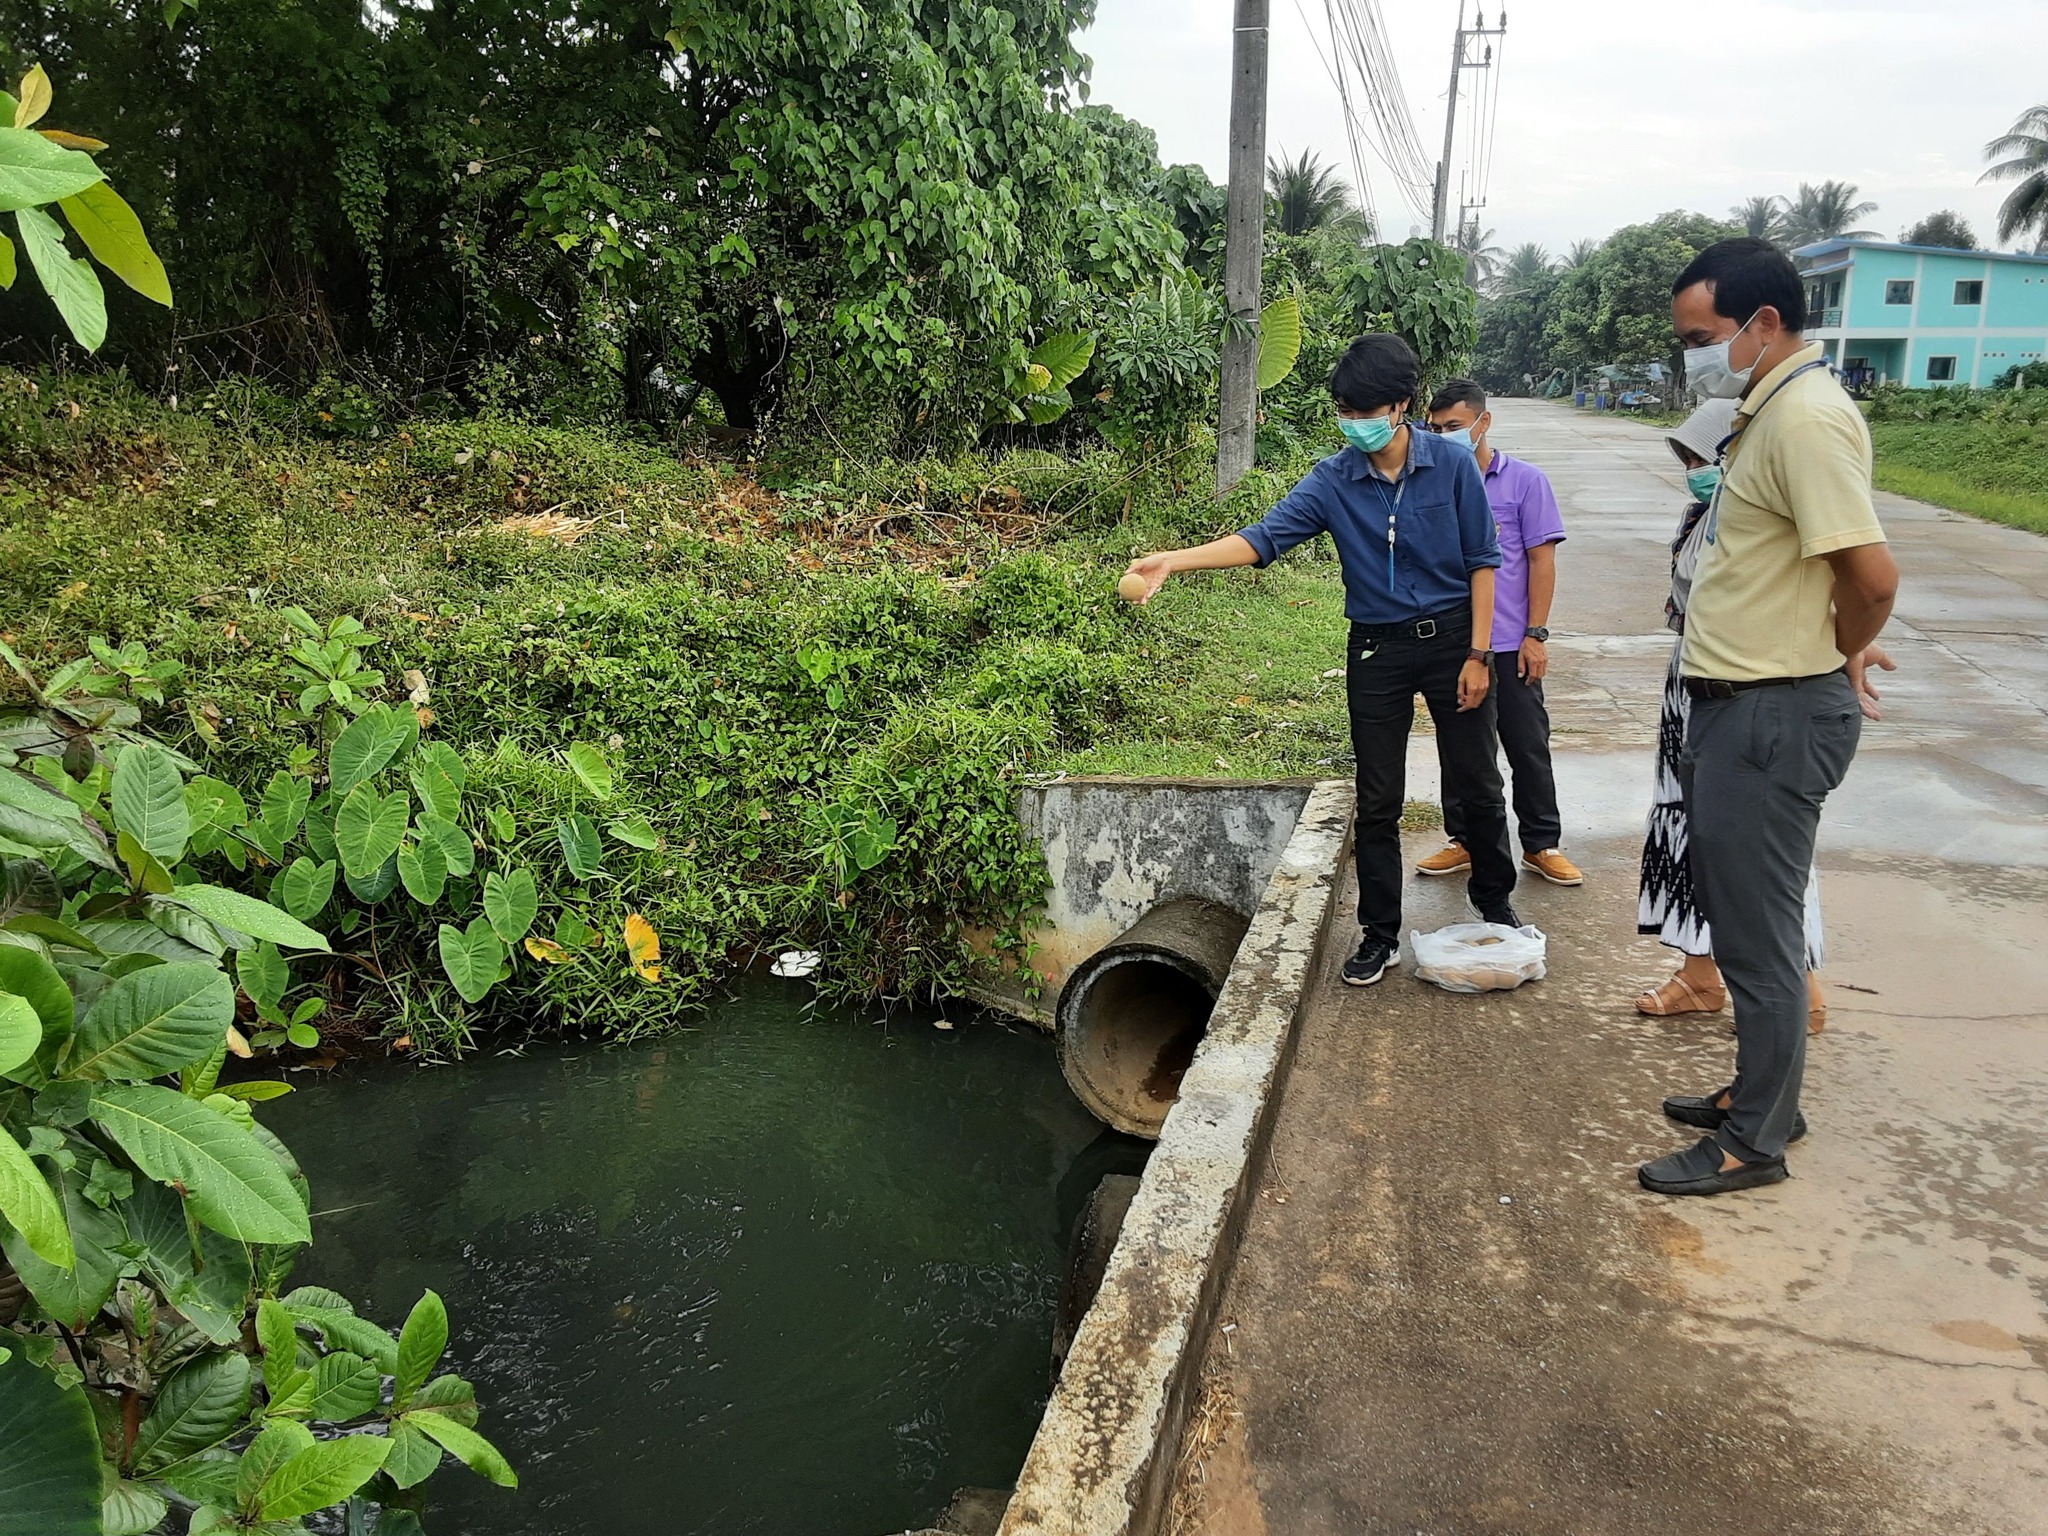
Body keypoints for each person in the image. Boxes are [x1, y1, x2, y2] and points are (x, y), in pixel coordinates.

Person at [1120, 333, 1521, 989]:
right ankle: (1379, 935)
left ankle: (1496, 904)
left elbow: (1484, 562)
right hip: (1376, 647)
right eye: (1345, 408)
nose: (1354, 421)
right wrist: (1175, 560)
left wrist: (1480, 653)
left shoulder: (1451, 467)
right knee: (1378, 799)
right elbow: (1261, 539)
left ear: (1401, 405)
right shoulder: (1333, 479)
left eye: (1366, 409)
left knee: (1476, 780)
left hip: (1454, 641)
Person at [1640, 238, 1899, 1198]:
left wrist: (1839, 643)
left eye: (1703, 337)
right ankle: (1766, 1096)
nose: (1694, 356)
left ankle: (1755, 1141)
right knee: (1752, 920)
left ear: (1763, 324)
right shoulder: (1770, 408)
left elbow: (1870, 575)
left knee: (1757, 937)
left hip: (1771, 712)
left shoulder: (1805, 420)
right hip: (1744, 702)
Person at [1637, 401, 1856, 1030]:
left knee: (1766, 843)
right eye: (1685, 461)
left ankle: (1798, 989)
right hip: (1694, 685)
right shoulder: (1704, 516)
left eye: (1703, 460)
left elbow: (1849, 581)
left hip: (1752, 688)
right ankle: (1701, 974)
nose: (1693, 472)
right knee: (1699, 835)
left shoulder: (1774, 520)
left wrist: (1849, 642)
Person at [1415, 378, 1582, 888]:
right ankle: (1463, 839)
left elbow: (1541, 562)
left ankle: (1541, 843)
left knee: (1527, 743)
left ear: (1483, 423)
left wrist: (1536, 634)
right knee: (1462, 747)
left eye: (1455, 427)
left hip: (1510, 644)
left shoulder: (1525, 482)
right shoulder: (1427, 486)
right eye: (1436, 428)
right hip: (1455, 645)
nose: (1444, 436)